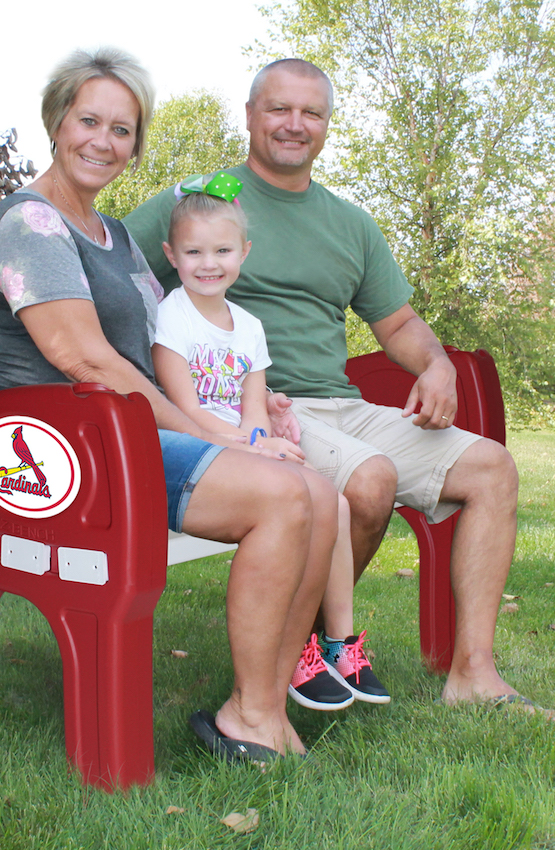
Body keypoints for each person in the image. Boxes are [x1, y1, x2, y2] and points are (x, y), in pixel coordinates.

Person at [125, 58, 555, 720]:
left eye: (312, 113)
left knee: (491, 469)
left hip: (345, 404)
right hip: (260, 408)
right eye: (279, 109)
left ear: (327, 126)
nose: (294, 125)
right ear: (250, 116)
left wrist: (436, 364)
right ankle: (308, 649)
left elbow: (398, 323)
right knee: (369, 481)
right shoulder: (202, 203)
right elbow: (110, 269)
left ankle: (473, 673)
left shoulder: (349, 222)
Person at [0, 46, 346, 761]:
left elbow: (162, 351)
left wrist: (254, 407)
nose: (103, 141)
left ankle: (259, 705)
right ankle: (257, 715)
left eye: (122, 129)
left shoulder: (111, 235)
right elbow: (83, 358)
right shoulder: (32, 223)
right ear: (56, 121)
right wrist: (222, 441)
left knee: (319, 493)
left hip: (122, 432)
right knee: (280, 496)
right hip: (61, 449)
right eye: (89, 120)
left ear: (136, 144)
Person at [151, 174, 389, 708]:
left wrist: (263, 439)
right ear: (171, 254)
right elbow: (184, 408)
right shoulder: (172, 316)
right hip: (201, 447)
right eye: (193, 251)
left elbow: (253, 402)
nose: (208, 263)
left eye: (222, 250)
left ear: (244, 252)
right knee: (297, 497)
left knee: (336, 501)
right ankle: (292, 652)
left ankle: (337, 644)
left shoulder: (250, 327)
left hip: (245, 444)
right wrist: (254, 447)